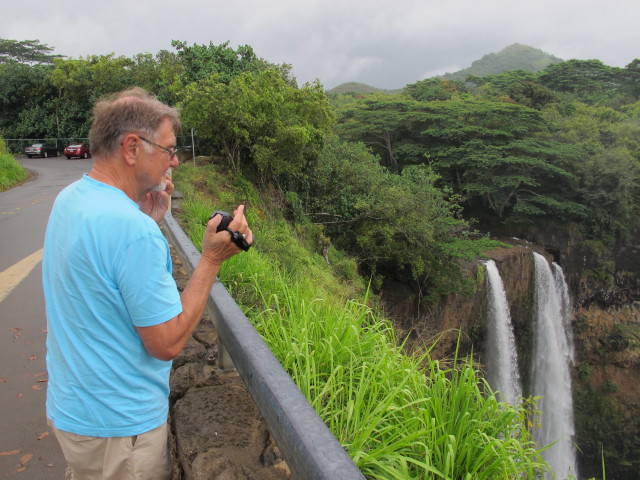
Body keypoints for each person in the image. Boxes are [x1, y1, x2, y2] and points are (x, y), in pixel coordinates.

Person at [42, 87, 253, 480]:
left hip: (75, 408)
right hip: (120, 427)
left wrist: (147, 217)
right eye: (168, 149)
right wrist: (210, 259)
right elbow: (167, 342)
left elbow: (101, 280)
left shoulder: (73, 199)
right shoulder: (130, 230)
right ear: (132, 147)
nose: (174, 160)